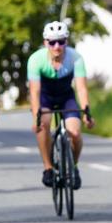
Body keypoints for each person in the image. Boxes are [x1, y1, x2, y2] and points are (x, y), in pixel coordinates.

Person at [27, 21, 94, 190]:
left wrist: (87, 113)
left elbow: (81, 88)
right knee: (44, 123)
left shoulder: (75, 58)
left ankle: (74, 166)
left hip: (66, 96)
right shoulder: (36, 60)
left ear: (67, 41)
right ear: (45, 43)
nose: (57, 46)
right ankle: (48, 168)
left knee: (75, 132)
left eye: (61, 41)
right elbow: (34, 92)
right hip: (45, 97)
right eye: (52, 42)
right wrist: (36, 118)